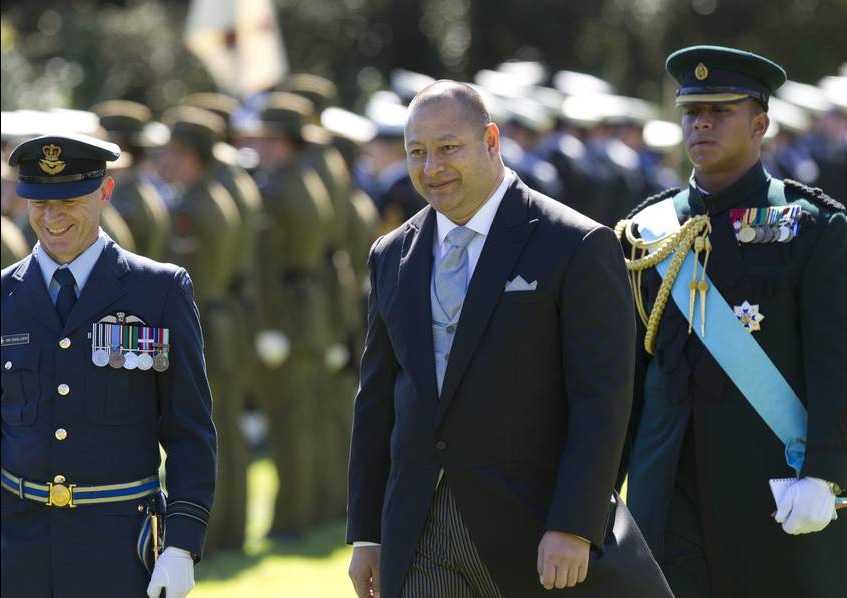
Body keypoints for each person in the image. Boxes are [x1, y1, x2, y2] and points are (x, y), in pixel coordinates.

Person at [347, 80, 671, 598]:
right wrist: (366, 531)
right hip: (419, 533)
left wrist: (574, 524)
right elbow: (377, 403)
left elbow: (602, 400)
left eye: (449, 148)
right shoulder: (391, 253)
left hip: (536, 532)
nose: (432, 168)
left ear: (492, 141)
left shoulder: (576, 244)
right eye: (417, 152)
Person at [617, 46, 847, 598]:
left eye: (720, 111)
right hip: (665, 487)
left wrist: (825, 472)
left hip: (770, 487)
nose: (701, 123)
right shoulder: (647, 229)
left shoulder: (813, 227)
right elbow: (622, 379)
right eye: (692, 112)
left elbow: (835, 363)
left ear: (761, 122)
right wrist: (594, 492)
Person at [1, 133, 216, 598]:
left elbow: (190, 432)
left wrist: (181, 545)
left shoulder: (158, 291)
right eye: (39, 202)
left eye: (69, 201)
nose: (51, 217)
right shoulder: (4, 295)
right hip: (18, 548)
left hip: (118, 548)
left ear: (105, 193)